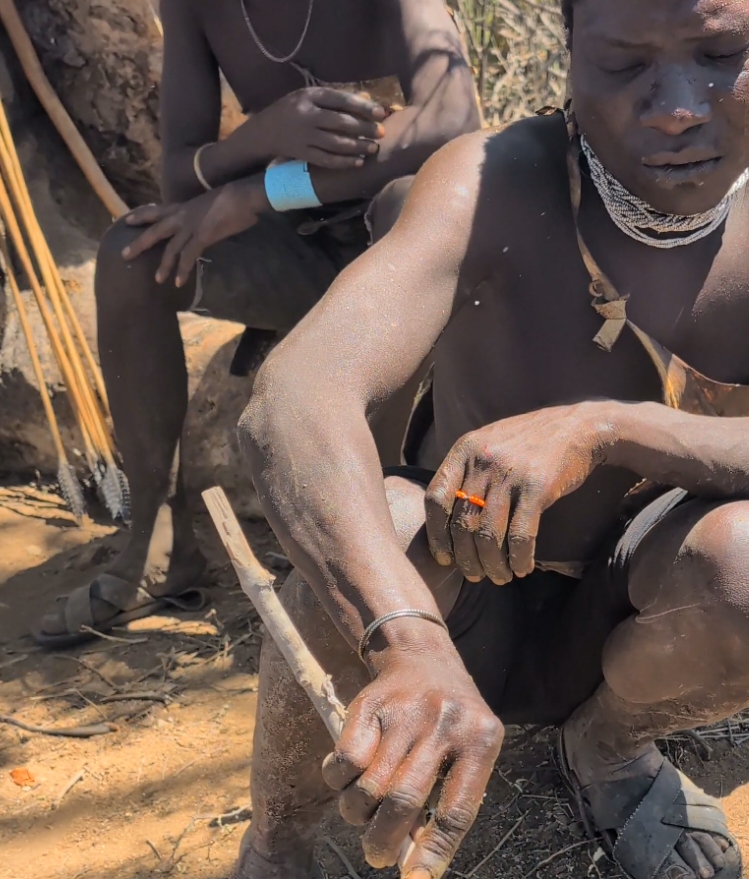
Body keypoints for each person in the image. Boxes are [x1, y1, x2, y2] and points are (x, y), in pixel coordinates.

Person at [145, 0, 749, 879]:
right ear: (566, 60)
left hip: (640, 608)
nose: (680, 107)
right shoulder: (491, 177)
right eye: (626, 64)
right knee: (377, 533)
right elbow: (293, 401)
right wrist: (402, 634)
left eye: (722, 55)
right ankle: (272, 867)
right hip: (462, 616)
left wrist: (600, 427)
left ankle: (611, 749)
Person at [35, 0, 480, 647]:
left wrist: (261, 190)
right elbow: (179, 178)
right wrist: (263, 134)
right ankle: (156, 541)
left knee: (405, 199)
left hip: (404, 258)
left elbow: (453, 121)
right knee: (134, 257)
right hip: (298, 252)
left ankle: (376, 532)